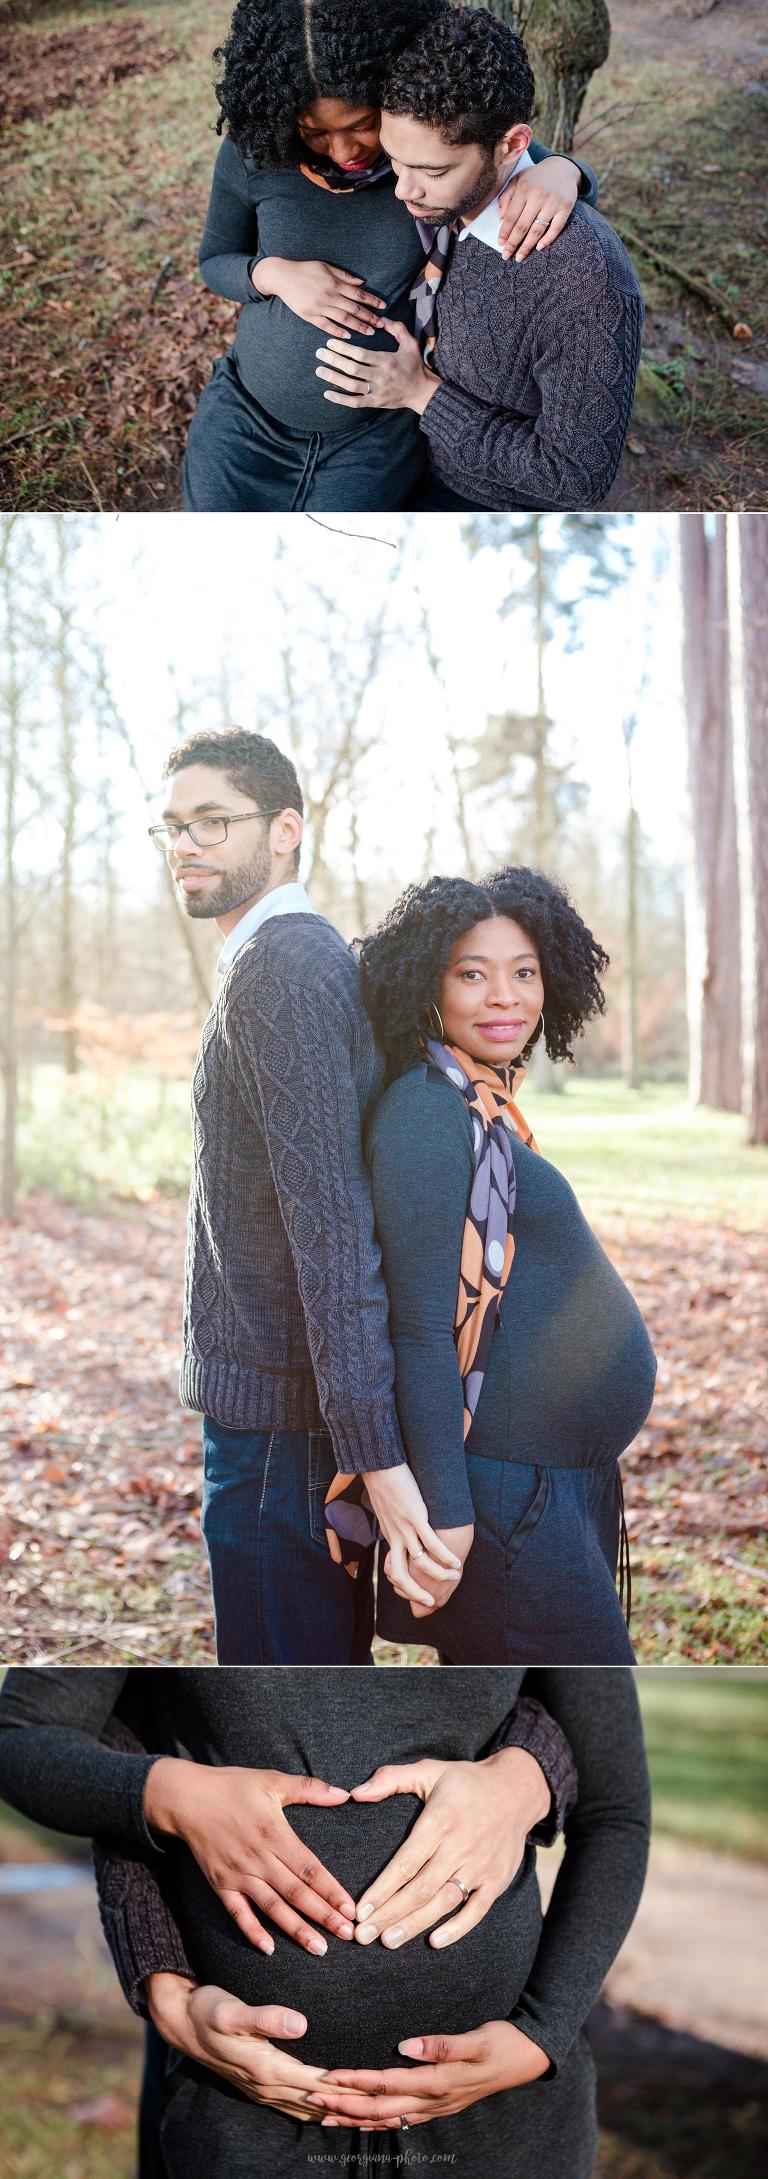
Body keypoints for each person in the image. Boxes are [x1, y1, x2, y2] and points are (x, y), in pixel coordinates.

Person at [0, 1666, 651, 2175]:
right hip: (243, 2109)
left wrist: (543, 2033)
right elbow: (31, 1739)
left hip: (501, 2122)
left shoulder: (525, 1535)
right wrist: (177, 1797)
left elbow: (615, 1809)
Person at [148, 725, 462, 1663]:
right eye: (172, 826)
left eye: (213, 820)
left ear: (286, 828)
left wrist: (376, 1457)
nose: (187, 845)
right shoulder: (277, 959)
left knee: (284, 1709)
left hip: (282, 1435)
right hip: (283, 1418)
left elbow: (331, 1225)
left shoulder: (282, 968)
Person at [356, 869, 658, 1663]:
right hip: (502, 1497)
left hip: (549, 1481)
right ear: (432, 983)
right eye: (472, 973)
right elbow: (417, 1330)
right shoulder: (427, 1112)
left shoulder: (480, 1099)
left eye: (523, 971)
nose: (504, 997)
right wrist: (450, 1515)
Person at [184, 0, 597, 511]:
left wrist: (565, 172)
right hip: (246, 421)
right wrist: (273, 273)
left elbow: (506, 154)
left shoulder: (426, 164)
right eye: (314, 132)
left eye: (360, 124)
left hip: (372, 440)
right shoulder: (256, 151)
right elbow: (215, 261)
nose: (343, 151)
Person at [313, 5, 643, 510]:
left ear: (512, 145)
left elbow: (576, 477)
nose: (403, 190)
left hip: (479, 501)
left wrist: (421, 394)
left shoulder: (583, 281)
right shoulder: (441, 184)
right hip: (395, 455)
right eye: (394, 160)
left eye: (432, 170)